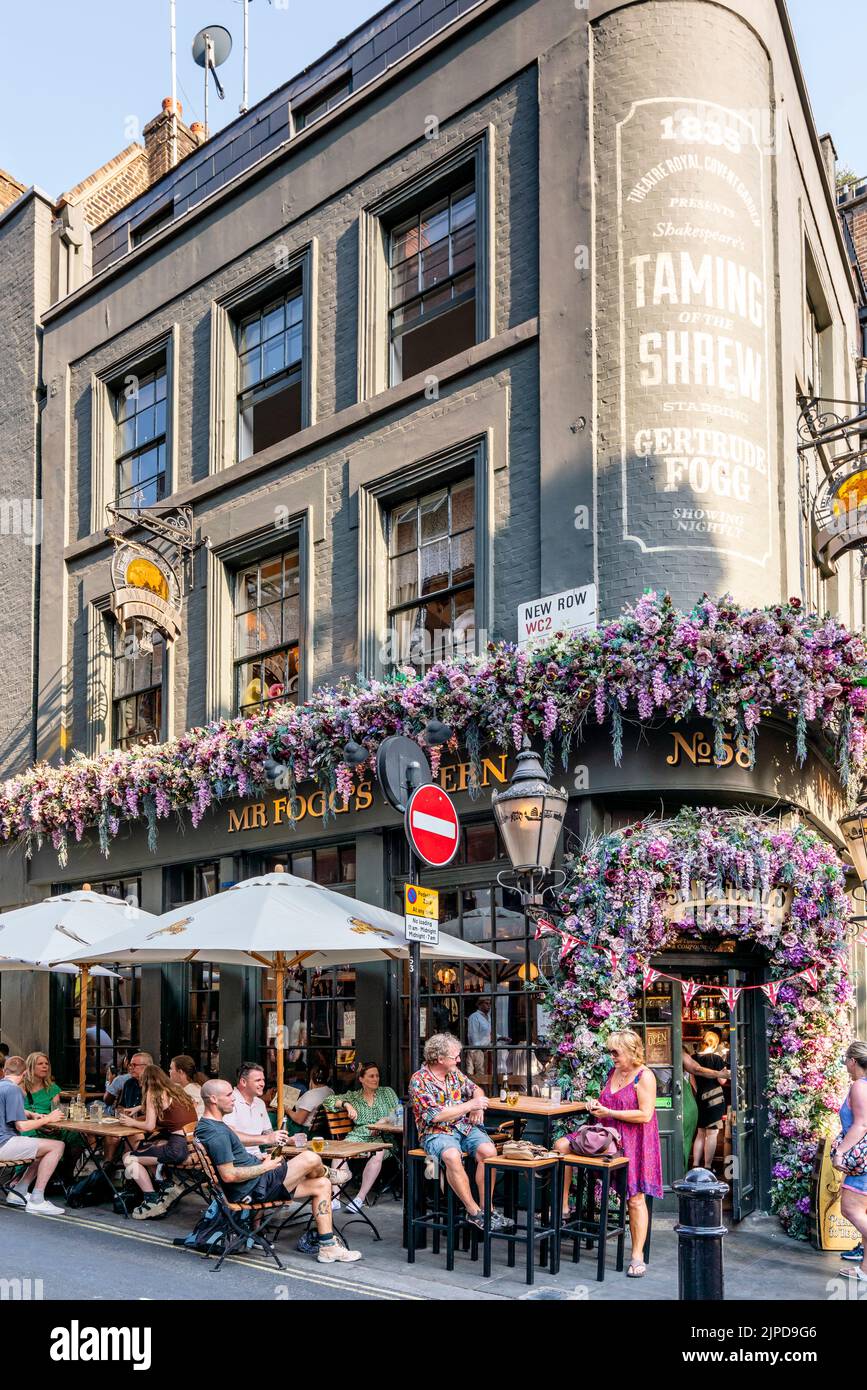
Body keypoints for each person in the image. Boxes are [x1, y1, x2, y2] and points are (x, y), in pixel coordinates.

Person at [195, 1079, 362, 1265]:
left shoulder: (215, 1125)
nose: (233, 1098)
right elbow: (229, 1175)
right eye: (228, 1095)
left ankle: (328, 1246)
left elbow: (235, 1160)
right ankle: (326, 1171)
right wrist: (265, 1167)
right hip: (253, 1189)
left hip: (259, 1182)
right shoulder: (215, 1133)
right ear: (213, 1099)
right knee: (309, 1157)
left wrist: (259, 1160)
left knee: (321, 1185)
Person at [558, 1029, 663, 1278]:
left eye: (615, 1052)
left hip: (633, 1142)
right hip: (605, 1139)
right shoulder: (612, 1071)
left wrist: (610, 1113)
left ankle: (637, 1255)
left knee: (635, 1198)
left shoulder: (644, 1076)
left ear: (631, 1051)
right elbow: (608, 1102)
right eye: (610, 1051)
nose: (612, 1056)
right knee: (561, 1145)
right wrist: (595, 1105)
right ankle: (563, 1207)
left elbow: (645, 1114)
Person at [409, 1032, 512, 1232]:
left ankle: (487, 1210)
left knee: (488, 1152)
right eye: (454, 1057)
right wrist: (469, 1106)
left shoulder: (454, 1074)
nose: (458, 1060)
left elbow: (476, 1090)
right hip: (436, 1131)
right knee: (451, 1155)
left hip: (463, 1127)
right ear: (439, 1058)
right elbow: (435, 1116)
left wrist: (477, 1106)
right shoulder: (419, 1080)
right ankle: (473, 1212)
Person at [120, 1064, 198, 1219]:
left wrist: (131, 1122)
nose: (139, 1083)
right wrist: (139, 1108)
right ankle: (166, 1185)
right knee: (150, 1146)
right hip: (191, 1146)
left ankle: (151, 1199)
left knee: (129, 1157)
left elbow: (149, 1126)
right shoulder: (176, 1091)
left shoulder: (152, 1093)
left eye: (141, 1080)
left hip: (176, 1149)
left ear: (146, 1080)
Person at [324, 1062, 399, 1212]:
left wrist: (384, 1121)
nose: (375, 1079)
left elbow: (399, 1112)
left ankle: (359, 1198)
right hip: (359, 1136)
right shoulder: (354, 1096)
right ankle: (335, 1198)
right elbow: (328, 1101)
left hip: (383, 1137)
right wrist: (347, 1105)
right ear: (361, 1079)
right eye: (371, 1076)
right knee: (339, 1152)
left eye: (377, 1076)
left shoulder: (387, 1092)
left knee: (378, 1152)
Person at [0, 1055, 66, 1215]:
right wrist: (48, 1119)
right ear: (24, 1074)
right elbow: (21, 1126)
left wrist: (31, 1114)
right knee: (57, 1146)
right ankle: (37, 1199)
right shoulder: (14, 1089)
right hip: (4, 1145)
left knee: (42, 1150)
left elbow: (12, 1110)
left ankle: (19, 1191)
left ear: (4, 1071)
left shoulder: (2, 1086)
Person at [832, 1040, 867, 1280]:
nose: (844, 1063)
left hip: (861, 1159)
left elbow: (861, 1124)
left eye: (845, 1059)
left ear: (853, 1061)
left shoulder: (859, 1086)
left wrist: (840, 1152)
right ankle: (865, 1270)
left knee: (850, 1209)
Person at [225, 1062, 293, 1156]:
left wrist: (290, 1140)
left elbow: (268, 1134)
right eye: (258, 1080)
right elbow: (230, 1135)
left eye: (263, 1080)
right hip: (238, 1159)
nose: (262, 1084)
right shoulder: (229, 1101)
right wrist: (266, 1138)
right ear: (243, 1082)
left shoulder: (260, 1103)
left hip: (259, 1156)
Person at [681, 1045, 731, 1171]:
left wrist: (698, 1095)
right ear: (715, 1044)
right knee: (712, 1133)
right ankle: (708, 1166)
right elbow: (722, 1081)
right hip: (714, 1098)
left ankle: (695, 1164)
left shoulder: (693, 1057)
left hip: (698, 1098)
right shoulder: (717, 1058)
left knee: (700, 1132)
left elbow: (692, 1081)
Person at [465, 997, 492, 1077]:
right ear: (480, 1004)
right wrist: (482, 1046)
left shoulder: (488, 1017)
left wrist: (499, 1037)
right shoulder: (474, 1017)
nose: (489, 1006)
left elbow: (487, 1033)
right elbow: (474, 1036)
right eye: (486, 1003)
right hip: (477, 1051)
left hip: (486, 1050)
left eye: (490, 1003)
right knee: (479, 1076)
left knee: (486, 1075)